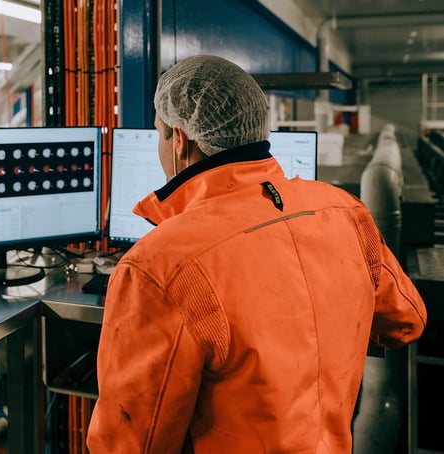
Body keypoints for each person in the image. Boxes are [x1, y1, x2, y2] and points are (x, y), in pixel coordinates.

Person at [86, 55, 427, 453]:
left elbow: (130, 445)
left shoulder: (158, 264)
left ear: (179, 140)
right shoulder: (345, 211)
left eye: (157, 134)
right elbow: (406, 322)